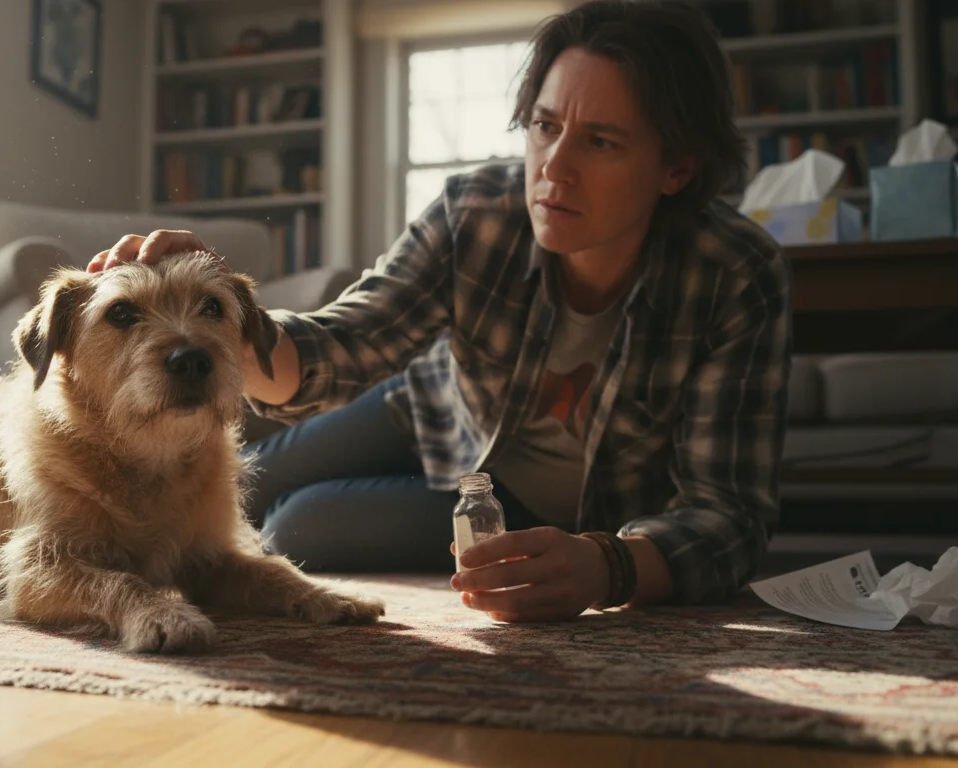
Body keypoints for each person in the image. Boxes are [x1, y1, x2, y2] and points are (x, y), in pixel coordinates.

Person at [88, 0, 792, 623]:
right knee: (244, 480)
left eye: (601, 141)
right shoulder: (476, 212)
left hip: (533, 507)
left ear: (677, 169)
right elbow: (343, 342)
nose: (553, 169)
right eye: (544, 126)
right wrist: (219, 311)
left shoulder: (734, 273)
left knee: (295, 526)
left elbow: (728, 517)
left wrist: (608, 564)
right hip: (430, 407)